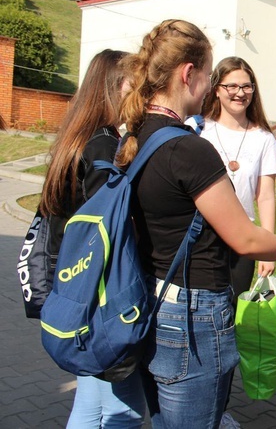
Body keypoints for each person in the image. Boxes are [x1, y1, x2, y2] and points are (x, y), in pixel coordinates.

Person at [116, 19, 276, 428]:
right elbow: (243, 237)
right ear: (188, 74)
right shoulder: (191, 148)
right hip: (193, 313)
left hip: (153, 296)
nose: (211, 87)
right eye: (210, 76)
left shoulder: (138, 136)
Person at [39, 49, 147, 427]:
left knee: (90, 398)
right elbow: (113, 224)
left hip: (74, 286)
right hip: (100, 293)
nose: (140, 94)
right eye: (135, 85)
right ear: (117, 86)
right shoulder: (103, 145)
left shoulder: (76, 136)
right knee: (124, 411)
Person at [201, 57, 276, 287]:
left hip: (243, 238)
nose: (240, 93)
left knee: (231, 307)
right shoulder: (200, 131)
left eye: (246, 86)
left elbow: (266, 196)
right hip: (203, 237)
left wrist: (268, 249)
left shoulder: (264, 139)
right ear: (216, 90)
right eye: (231, 86)